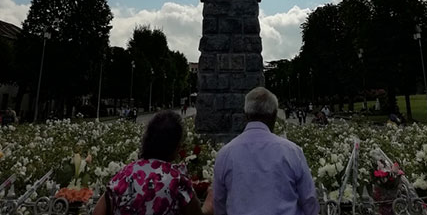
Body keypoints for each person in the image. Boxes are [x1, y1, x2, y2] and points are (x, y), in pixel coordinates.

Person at [213, 87, 319, 215]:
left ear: (245, 115)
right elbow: (309, 201)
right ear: (274, 115)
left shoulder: (225, 154)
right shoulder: (292, 152)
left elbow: (219, 203)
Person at [93, 110, 213, 215]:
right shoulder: (177, 180)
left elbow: (98, 211)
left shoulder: (124, 174)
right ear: (176, 147)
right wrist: (210, 199)